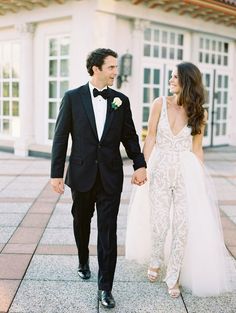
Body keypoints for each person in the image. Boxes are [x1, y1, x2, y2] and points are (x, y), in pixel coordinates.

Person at [126, 62, 236, 298]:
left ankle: (173, 274)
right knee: (159, 222)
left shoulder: (199, 112)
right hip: (160, 167)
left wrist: (201, 180)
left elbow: (197, 149)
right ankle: (156, 258)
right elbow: (151, 137)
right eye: (172, 76)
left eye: (176, 77)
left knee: (182, 225)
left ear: (187, 81)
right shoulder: (159, 103)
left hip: (186, 170)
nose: (171, 80)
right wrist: (141, 167)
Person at [50, 48, 147, 309]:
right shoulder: (72, 98)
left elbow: (130, 136)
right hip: (81, 174)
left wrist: (140, 164)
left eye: (116, 67)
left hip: (110, 177)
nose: (116, 71)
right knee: (81, 221)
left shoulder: (120, 100)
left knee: (108, 231)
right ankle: (83, 259)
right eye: (112, 67)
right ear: (96, 69)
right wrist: (56, 174)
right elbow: (60, 137)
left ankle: (105, 287)